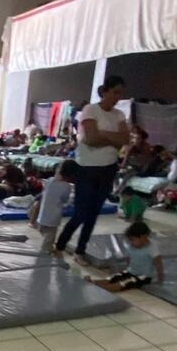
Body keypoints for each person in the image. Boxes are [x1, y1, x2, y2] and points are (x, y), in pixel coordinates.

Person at [54, 76, 129, 264]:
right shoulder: (90, 110)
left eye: (121, 93)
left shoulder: (119, 115)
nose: (118, 97)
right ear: (105, 91)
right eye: (115, 92)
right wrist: (113, 138)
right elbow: (91, 139)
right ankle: (60, 244)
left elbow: (125, 140)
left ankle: (80, 250)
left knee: (93, 213)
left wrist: (103, 134)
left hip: (108, 169)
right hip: (87, 169)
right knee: (81, 212)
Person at [89, 221, 163, 292]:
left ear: (144, 237)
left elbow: (158, 264)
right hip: (131, 271)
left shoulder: (152, 248)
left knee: (126, 283)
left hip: (144, 276)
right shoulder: (131, 246)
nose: (131, 242)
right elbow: (129, 258)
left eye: (133, 240)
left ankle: (105, 288)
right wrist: (128, 269)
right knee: (115, 277)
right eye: (130, 240)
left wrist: (160, 279)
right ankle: (96, 282)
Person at [31, 159, 79, 254]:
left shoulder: (49, 181)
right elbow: (65, 200)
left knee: (44, 232)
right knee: (50, 235)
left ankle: (47, 245)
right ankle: (45, 250)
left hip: (42, 215)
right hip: (53, 217)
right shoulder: (67, 186)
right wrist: (71, 199)